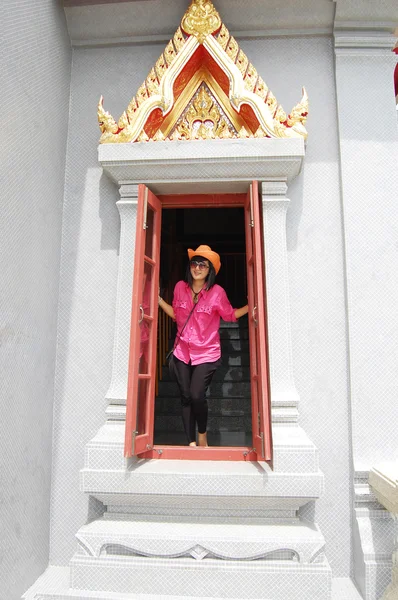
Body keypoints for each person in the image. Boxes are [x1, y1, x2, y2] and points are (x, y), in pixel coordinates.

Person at [158, 245, 248, 447]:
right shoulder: (180, 287)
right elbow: (176, 316)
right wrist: (158, 301)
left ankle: (202, 434)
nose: (197, 268)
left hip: (207, 352)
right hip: (182, 351)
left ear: (210, 270)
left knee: (197, 394)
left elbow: (229, 315)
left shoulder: (217, 293)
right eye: (194, 263)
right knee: (185, 396)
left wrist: (252, 307)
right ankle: (190, 442)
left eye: (203, 265)